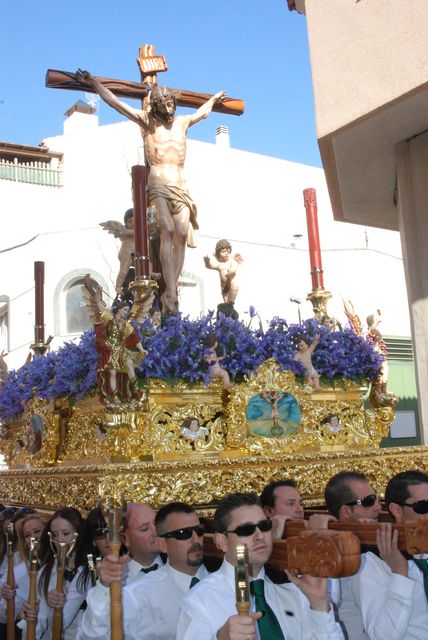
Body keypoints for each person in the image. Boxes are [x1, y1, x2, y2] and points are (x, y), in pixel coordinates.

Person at [76, 69, 226, 314]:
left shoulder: (182, 122)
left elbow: (203, 112)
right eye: (164, 103)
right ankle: (168, 290)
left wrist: (213, 99)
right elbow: (116, 103)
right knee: (166, 230)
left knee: (180, 236)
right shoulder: (146, 122)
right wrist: (93, 83)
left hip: (180, 188)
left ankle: (171, 288)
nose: (170, 107)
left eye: (171, 102)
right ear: (155, 105)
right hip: (157, 186)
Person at [177, 492, 344, 640]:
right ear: (222, 541)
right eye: (246, 530)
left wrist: (319, 604)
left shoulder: (293, 589)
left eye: (264, 526)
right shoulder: (199, 602)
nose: (259, 536)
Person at [80, 502, 207, 640]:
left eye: (199, 530)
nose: (155, 532)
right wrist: (103, 588)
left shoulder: (221, 582)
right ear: (124, 538)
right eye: (183, 533)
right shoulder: (135, 594)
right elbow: (93, 635)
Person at [20, 507, 90, 640]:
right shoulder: (46, 571)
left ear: (78, 534)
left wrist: (55, 607)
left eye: (66, 533)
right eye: (55, 535)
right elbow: (43, 621)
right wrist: (30, 615)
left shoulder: (87, 571)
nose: (61, 540)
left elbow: (63, 622)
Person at [0, 512, 47, 638]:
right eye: (27, 535)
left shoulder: (63, 563)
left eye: (37, 531)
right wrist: (8, 597)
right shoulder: (19, 572)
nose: (33, 538)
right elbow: (4, 616)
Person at [94, 299, 148, 402]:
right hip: (110, 351)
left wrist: (142, 349)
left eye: (127, 310)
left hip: (122, 350)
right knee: (113, 373)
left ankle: (136, 389)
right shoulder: (110, 319)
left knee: (130, 365)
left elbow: (134, 337)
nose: (126, 312)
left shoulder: (125, 324)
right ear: (118, 310)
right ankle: (115, 395)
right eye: (124, 310)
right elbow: (102, 310)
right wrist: (97, 298)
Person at [203, 239, 243, 305]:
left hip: (232, 284)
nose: (226, 253)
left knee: (232, 294)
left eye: (228, 251)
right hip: (223, 286)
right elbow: (210, 266)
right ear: (218, 253)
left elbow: (234, 268)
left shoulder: (231, 261)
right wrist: (207, 262)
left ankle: (231, 302)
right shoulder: (219, 264)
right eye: (223, 252)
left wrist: (231, 272)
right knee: (225, 299)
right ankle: (226, 306)